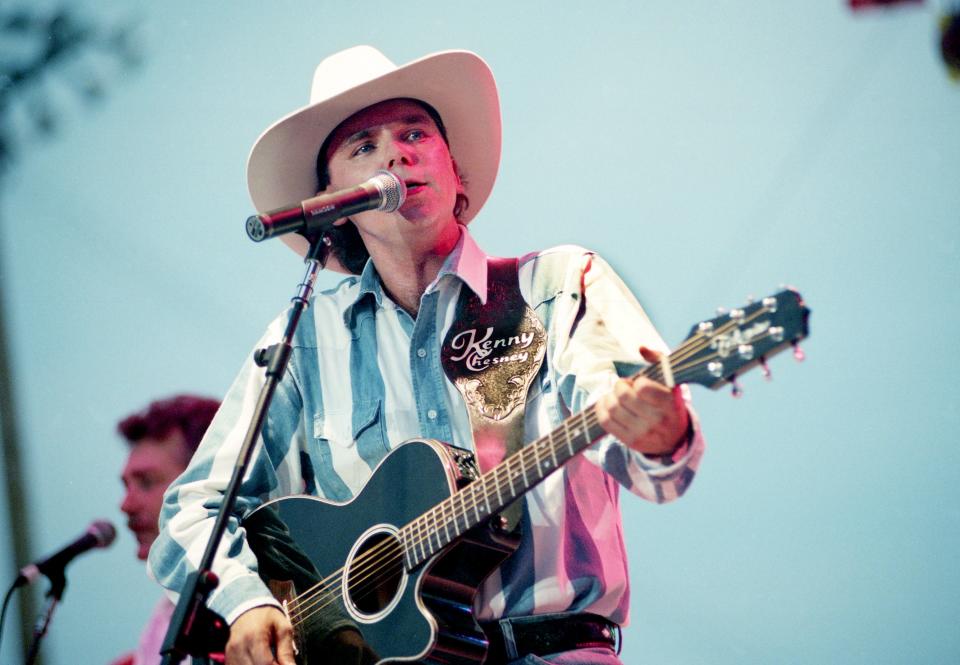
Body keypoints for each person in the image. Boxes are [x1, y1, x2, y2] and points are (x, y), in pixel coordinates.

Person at [149, 46, 705, 665]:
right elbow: (191, 512)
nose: (395, 154)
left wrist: (661, 432)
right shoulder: (303, 339)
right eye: (363, 146)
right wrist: (249, 601)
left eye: (414, 133)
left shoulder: (553, 285)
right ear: (332, 200)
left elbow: (653, 463)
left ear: (453, 168)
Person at [111, 394, 221, 665]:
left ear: (209, 481)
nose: (125, 505)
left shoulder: (278, 585)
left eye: (146, 483)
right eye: (126, 486)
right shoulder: (162, 621)